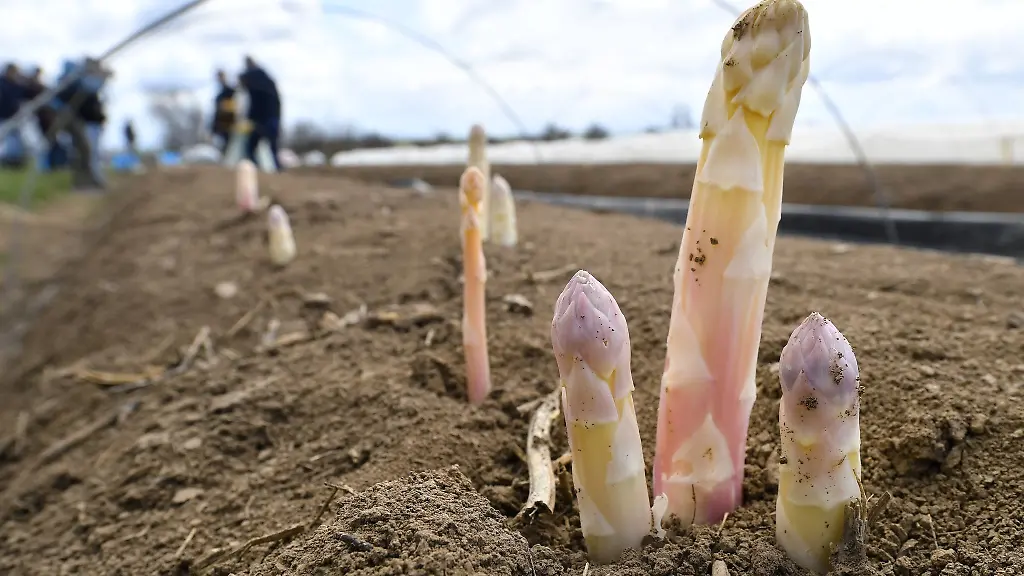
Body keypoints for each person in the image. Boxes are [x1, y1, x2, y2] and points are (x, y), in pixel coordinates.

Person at [53, 57, 111, 190]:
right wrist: (102, 75)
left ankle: (90, 181)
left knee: (90, 152)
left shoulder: (79, 82)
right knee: (88, 152)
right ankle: (89, 182)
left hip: (90, 122)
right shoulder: (72, 82)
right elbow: (92, 86)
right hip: (84, 123)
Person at [238, 55, 281, 170]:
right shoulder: (266, 80)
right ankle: (275, 168)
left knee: (252, 147)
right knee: (271, 147)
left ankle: (263, 169)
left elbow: (244, 80)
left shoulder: (254, 80)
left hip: (264, 119)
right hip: (270, 117)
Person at [0, 63, 27, 168]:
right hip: (2, 115)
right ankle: (7, 160)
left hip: (14, 116)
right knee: (5, 139)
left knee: (15, 139)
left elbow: (24, 94)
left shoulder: (17, 85)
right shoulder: (2, 83)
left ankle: (14, 161)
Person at [211, 69, 237, 154]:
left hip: (228, 122)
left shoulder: (230, 91)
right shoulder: (221, 93)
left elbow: (234, 107)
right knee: (222, 145)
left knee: (228, 145)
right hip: (221, 123)